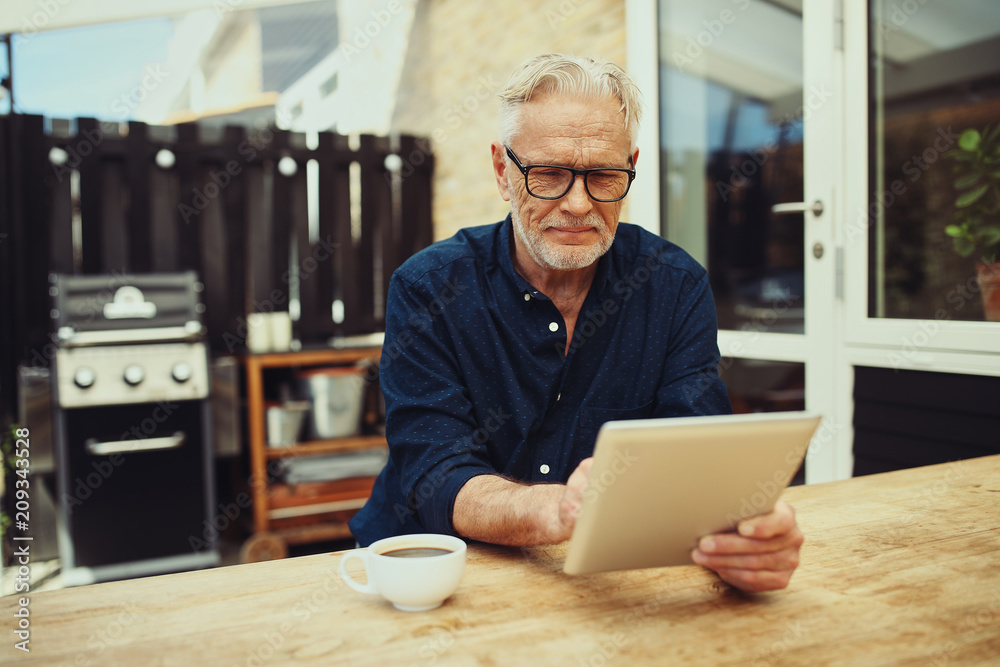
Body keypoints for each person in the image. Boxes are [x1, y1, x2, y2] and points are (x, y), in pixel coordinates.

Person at [349, 54, 803, 593]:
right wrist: (557, 510)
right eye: (548, 175)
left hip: (597, 578)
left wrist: (745, 537)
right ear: (502, 170)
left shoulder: (675, 285)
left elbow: (696, 452)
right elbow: (433, 473)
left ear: (630, 166)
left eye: (604, 175)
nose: (578, 204)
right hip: (431, 574)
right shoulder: (428, 287)